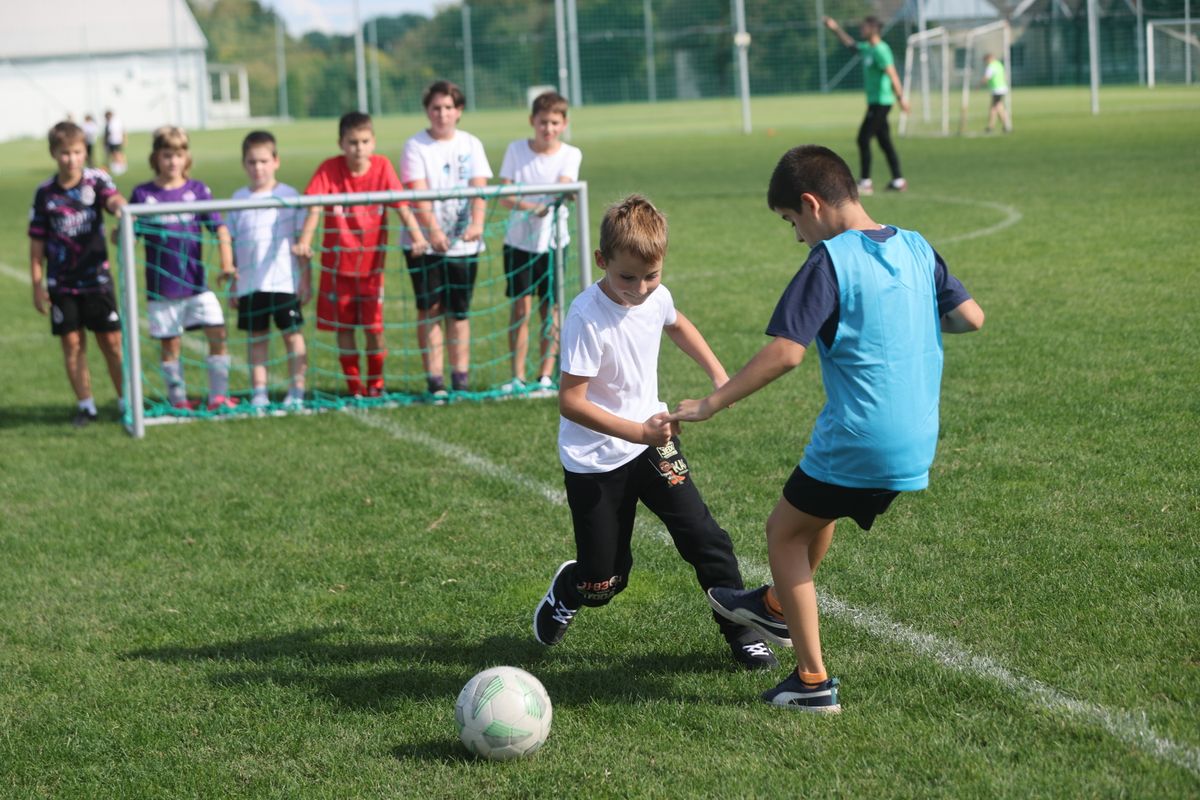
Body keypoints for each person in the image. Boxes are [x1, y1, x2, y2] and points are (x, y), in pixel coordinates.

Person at [669, 145, 984, 712]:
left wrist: (712, 402)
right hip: (918, 442)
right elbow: (970, 317)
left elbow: (786, 354)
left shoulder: (829, 261)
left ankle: (811, 681)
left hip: (862, 438)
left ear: (811, 204)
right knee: (819, 507)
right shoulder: (915, 245)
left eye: (792, 222)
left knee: (783, 532)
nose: (796, 237)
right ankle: (771, 604)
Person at [532, 194, 779, 672]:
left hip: (654, 442)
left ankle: (742, 631)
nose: (641, 289)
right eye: (627, 277)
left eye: (652, 275)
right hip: (596, 460)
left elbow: (677, 323)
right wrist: (634, 431)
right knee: (605, 583)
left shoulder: (654, 295)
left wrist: (718, 374)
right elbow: (571, 402)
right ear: (602, 261)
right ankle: (572, 586)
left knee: (706, 538)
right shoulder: (586, 317)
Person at [297, 111, 427, 398]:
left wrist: (418, 236)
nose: (359, 148)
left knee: (373, 328)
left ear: (373, 142)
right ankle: (354, 386)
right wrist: (305, 240)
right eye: (352, 142)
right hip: (336, 266)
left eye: (365, 141)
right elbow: (315, 206)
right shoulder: (329, 169)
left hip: (371, 269)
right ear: (341, 143)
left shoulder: (381, 167)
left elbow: (402, 205)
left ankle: (376, 383)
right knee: (344, 328)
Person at [129, 126, 237, 411]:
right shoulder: (142, 194)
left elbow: (220, 228)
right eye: (167, 155)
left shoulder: (197, 190)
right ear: (156, 157)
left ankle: (218, 395)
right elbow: (129, 237)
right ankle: (178, 399)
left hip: (196, 285)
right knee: (171, 346)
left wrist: (227, 263)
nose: (173, 161)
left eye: (178, 154)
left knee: (218, 332)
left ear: (186, 157)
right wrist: (121, 234)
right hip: (161, 289)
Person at [27, 121, 126, 427]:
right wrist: (36, 283)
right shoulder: (45, 193)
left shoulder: (96, 180)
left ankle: (127, 401)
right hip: (62, 283)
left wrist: (121, 208)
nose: (71, 159)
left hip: (96, 279)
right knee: (72, 344)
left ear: (85, 152)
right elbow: (37, 242)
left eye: (77, 152)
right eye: (64, 153)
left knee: (111, 342)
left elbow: (113, 199)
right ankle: (86, 406)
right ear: (54, 154)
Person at [400, 80, 493, 396]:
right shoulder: (415, 146)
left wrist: (477, 222)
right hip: (426, 245)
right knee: (430, 309)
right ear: (427, 111)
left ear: (459, 111)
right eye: (436, 108)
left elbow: (480, 189)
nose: (442, 114)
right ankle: (435, 380)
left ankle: (460, 377)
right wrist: (433, 232)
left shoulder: (471, 144)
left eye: (448, 107)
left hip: (464, 244)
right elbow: (417, 193)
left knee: (460, 311)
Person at [497, 90, 582, 394]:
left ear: (564, 123)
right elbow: (504, 194)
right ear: (532, 121)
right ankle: (517, 377)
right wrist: (532, 207)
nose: (548, 128)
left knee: (552, 309)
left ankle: (546, 375)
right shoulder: (516, 150)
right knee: (521, 308)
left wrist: (563, 194)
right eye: (543, 122)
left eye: (555, 123)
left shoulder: (571, 154)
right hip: (518, 242)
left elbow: (564, 186)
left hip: (554, 244)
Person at [228, 130, 310, 410]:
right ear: (244, 164)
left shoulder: (288, 196)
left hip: (284, 282)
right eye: (252, 162)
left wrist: (306, 279)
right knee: (257, 339)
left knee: (292, 336)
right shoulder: (237, 199)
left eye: (263, 161)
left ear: (276, 161)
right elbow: (234, 244)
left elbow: (302, 241)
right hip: (251, 285)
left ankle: (297, 390)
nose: (258, 168)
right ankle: (259, 392)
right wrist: (233, 284)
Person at [823, 16, 910, 195]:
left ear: (873, 28)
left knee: (863, 138)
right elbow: (851, 45)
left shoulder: (881, 50)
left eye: (864, 27)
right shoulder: (868, 49)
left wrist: (901, 98)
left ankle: (865, 182)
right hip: (875, 103)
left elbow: (892, 74)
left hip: (882, 102)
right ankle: (898, 181)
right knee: (885, 142)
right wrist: (835, 28)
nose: (861, 29)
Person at [982, 53, 1012, 134]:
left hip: (997, 89)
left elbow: (987, 77)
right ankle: (993, 126)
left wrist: (978, 85)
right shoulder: (998, 64)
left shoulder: (991, 66)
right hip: (1002, 88)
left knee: (996, 108)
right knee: (995, 107)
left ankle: (1004, 126)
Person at [103, 110, 127, 176]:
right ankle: (116, 166)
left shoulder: (113, 122)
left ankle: (121, 166)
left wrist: (124, 139)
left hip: (115, 140)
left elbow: (122, 131)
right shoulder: (110, 122)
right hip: (113, 141)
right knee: (114, 154)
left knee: (117, 154)